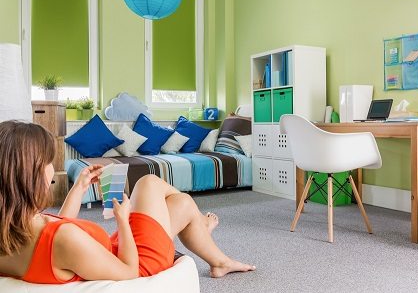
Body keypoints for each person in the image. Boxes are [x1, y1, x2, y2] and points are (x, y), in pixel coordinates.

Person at [0, 120, 255, 284]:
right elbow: (130, 272)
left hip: (109, 253)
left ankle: (215, 255)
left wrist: (79, 187)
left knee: (182, 204)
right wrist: (123, 221)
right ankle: (201, 228)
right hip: (138, 261)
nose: (50, 168)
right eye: (46, 162)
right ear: (30, 176)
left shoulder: (16, 231)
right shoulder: (65, 239)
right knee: (149, 184)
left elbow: (56, 231)